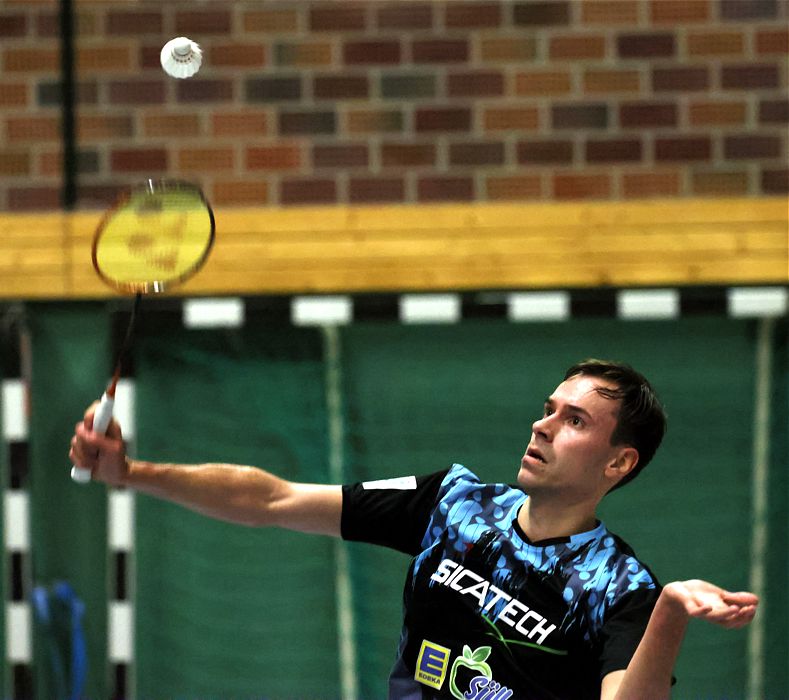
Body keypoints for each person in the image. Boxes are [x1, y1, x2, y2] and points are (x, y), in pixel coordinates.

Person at [69, 358, 758, 699]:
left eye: (573, 420)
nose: (542, 424)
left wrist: (668, 611)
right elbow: (273, 499)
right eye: (547, 408)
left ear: (618, 461)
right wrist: (132, 473)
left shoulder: (618, 586)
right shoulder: (452, 505)